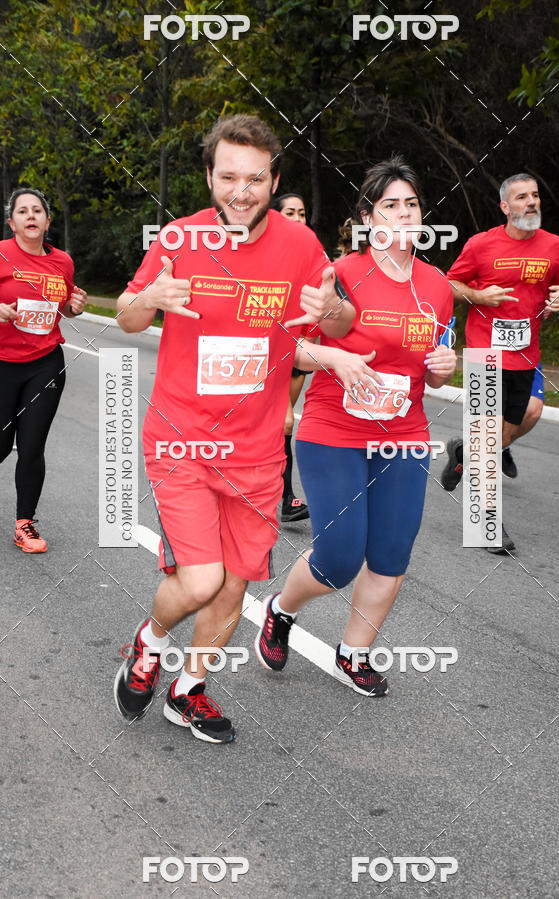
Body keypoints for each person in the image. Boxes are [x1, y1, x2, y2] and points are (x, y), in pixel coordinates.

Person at [113, 114, 374, 743]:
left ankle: (189, 690)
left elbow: (324, 328)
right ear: (209, 177)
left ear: (273, 179)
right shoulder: (178, 240)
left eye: (255, 178)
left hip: (256, 453)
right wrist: (152, 298)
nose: (241, 190)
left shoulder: (300, 247)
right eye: (228, 176)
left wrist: (334, 325)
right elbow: (124, 315)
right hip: (182, 442)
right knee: (201, 579)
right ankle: (148, 643)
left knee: (233, 587)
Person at [255, 156, 456, 697]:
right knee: (340, 555)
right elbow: (292, 352)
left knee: (391, 552)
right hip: (332, 428)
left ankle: (354, 653)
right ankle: (281, 608)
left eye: (411, 204)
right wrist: (333, 356)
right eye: (390, 204)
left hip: (404, 433)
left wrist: (444, 367)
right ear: (368, 218)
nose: (404, 213)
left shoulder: (437, 286)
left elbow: (433, 368)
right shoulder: (339, 275)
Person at [441, 174, 559, 552]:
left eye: (535, 195)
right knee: (486, 435)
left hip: (525, 354)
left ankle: (462, 454)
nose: (532, 202)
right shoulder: (481, 245)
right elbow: (450, 284)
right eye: (522, 197)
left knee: (509, 429)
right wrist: (479, 296)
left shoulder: (555, 246)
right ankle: (484, 526)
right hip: (485, 350)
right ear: (505, 207)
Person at [0, 188, 87, 553]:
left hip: (46, 363)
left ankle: (25, 524)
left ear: (48, 221)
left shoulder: (62, 262)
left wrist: (75, 306)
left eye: (37, 210)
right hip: (3, 364)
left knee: (32, 445)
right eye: (23, 211)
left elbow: (64, 307)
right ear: (12, 223)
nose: (31, 215)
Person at [273, 192, 310, 521]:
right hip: (262, 355)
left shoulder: (312, 257)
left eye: (301, 213)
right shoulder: (263, 255)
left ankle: (283, 498)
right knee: (282, 422)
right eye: (290, 212)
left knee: (280, 427)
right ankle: (286, 498)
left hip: (298, 354)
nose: (297, 218)